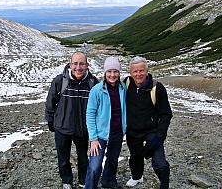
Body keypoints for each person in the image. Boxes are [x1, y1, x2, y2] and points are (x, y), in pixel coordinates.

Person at [45, 51, 98, 189]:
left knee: (83, 158)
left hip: (83, 129)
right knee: (63, 159)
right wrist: (52, 123)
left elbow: (99, 107)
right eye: (75, 63)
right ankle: (67, 181)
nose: (78, 67)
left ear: (87, 65)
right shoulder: (60, 81)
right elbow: (50, 103)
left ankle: (82, 181)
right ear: (70, 64)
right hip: (62, 128)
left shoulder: (93, 83)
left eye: (82, 64)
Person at [124, 57, 172, 189]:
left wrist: (159, 136)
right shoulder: (127, 83)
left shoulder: (157, 88)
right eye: (135, 71)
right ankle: (137, 177)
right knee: (135, 156)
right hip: (133, 130)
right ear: (130, 73)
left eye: (141, 71)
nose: (138, 74)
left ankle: (164, 185)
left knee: (159, 162)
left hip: (152, 131)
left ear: (147, 71)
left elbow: (166, 114)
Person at [85, 56, 127, 189]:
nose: (112, 75)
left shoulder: (123, 88)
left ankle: (108, 182)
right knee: (95, 166)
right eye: (109, 71)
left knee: (112, 161)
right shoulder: (97, 90)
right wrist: (93, 138)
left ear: (119, 73)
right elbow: (90, 114)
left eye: (115, 71)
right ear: (105, 73)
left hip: (117, 132)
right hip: (99, 135)